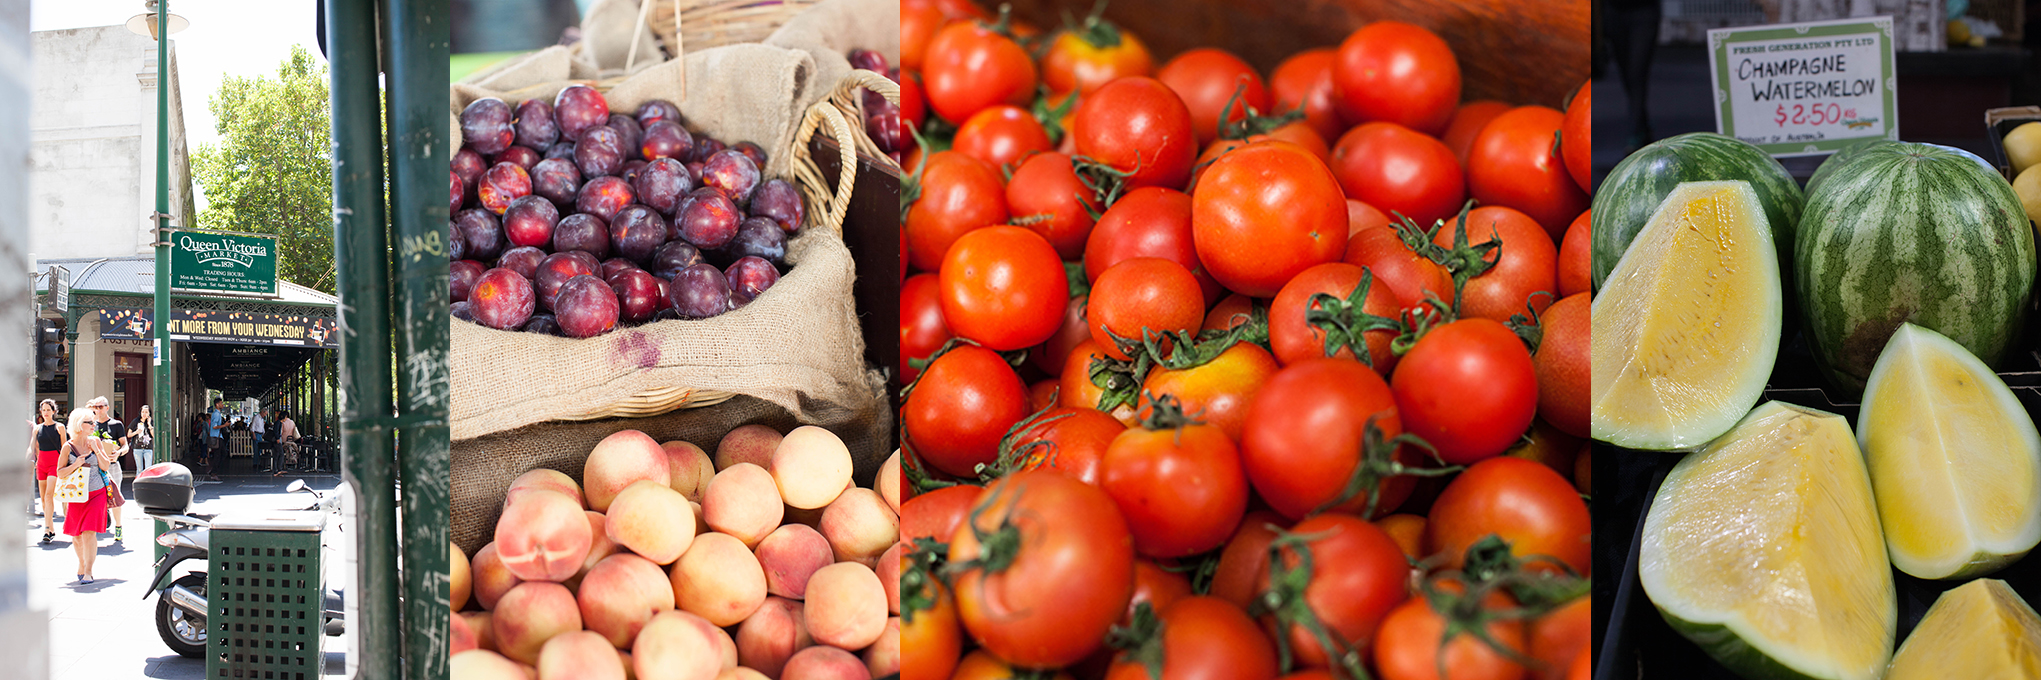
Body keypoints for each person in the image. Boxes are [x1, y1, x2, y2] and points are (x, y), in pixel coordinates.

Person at [55, 408, 111, 583]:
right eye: (90, 422)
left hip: (97, 493)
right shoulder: (68, 447)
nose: (94, 425)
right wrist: (76, 464)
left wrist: (96, 448)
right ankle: (81, 562)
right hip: (76, 496)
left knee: (89, 533)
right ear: (80, 425)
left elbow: (106, 466)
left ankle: (88, 571)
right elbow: (60, 472)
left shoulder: (95, 441)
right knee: (77, 536)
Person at [86, 397, 127, 541]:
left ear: (107, 407)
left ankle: (118, 527)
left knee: (115, 496)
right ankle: (98, 524)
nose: (98, 410)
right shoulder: (91, 424)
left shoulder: (116, 424)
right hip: (95, 466)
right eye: (95, 407)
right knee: (96, 496)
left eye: (101, 407)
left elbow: (125, 445)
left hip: (112, 465)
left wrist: (119, 452)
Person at [29, 399, 63, 545]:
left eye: (49, 409)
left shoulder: (59, 427)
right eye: (43, 410)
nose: (46, 412)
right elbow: (32, 447)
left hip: (54, 464)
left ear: (54, 411)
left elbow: (64, 447)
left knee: (49, 495)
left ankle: (46, 529)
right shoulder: (37, 428)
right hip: (41, 464)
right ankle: (51, 528)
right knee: (43, 498)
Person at [205, 398, 226, 481]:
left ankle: (213, 470)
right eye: (221, 403)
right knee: (220, 454)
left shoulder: (217, 413)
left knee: (221, 454)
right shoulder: (216, 414)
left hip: (218, 436)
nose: (222, 405)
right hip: (217, 437)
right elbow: (214, 426)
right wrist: (225, 425)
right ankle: (214, 472)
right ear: (217, 405)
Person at [274, 411, 300, 477]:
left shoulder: (282, 423)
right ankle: (278, 469)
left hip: (283, 440)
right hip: (290, 440)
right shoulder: (292, 422)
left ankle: (277, 469)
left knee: (278, 454)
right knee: (280, 454)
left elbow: (281, 432)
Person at [132, 404, 155, 472]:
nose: (144, 414)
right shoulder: (136, 421)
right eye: (143, 412)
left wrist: (149, 424)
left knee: (148, 468)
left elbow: (153, 435)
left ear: (149, 413)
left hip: (148, 448)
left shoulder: (151, 422)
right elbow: (128, 434)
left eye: (146, 412)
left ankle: (147, 482)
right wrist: (136, 432)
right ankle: (138, 482)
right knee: (139, 469)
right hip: (137, 447)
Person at [249, 407, 268, 472]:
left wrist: (263, 433)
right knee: (256, 449)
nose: (265, 415)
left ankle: (258, 463)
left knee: (259, 450)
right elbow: (253, 426)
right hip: (256, 434)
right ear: (262, 412)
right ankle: (255, 463)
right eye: (265, 414)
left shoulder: (262, 419)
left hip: (260, 434)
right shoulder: (256, 417)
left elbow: (262, 427)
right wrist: (253, 434)